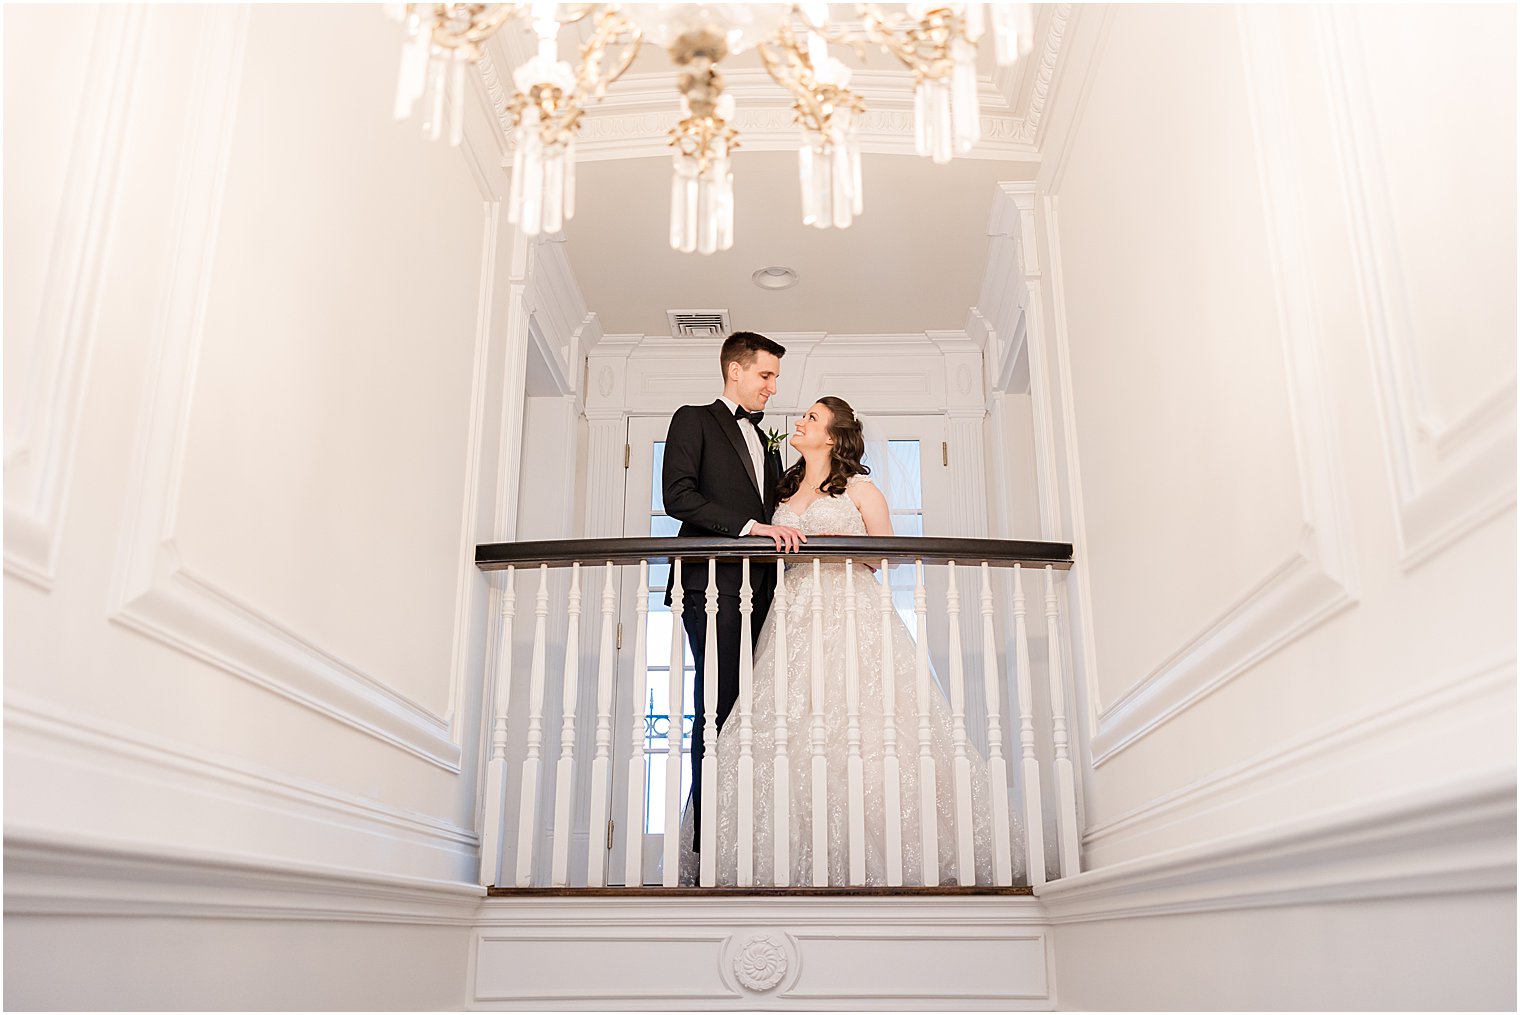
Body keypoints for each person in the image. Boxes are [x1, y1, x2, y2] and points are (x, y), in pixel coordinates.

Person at [680, 396, 1014, 887]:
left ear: (832, 436)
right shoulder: (783, 490)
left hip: (848, 607)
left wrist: (829, 550)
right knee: (786, 725)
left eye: (812, 418)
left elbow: (883, 557)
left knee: (863, 721)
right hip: (791, 612)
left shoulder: (860, 489)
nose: (800, 421)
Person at [661, 332, 806, 852]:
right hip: (714, 586)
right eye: (765, 376)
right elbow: (678, 496)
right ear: (735, 371)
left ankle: (751, 837)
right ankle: (708, 845)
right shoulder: (692, 419)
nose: (771, 388)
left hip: (764, 590)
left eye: (774, 379)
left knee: (756, 713)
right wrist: (748, 527)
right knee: (716, 710)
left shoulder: (766, 441)